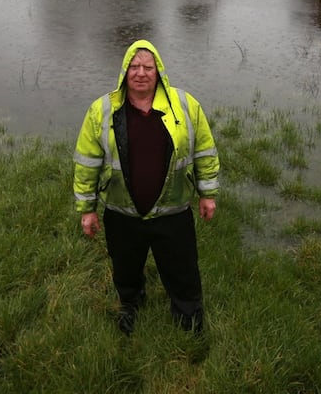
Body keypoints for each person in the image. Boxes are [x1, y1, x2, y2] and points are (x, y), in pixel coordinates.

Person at [73, 39, 219, 336]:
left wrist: (208, 193)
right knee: (125, 269)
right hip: (121, 211)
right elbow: (87, 163)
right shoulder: (101, 111)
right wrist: (87, 209)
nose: (141, 73)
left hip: (174, 210)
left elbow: (205, 150)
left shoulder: (185, 105)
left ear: (159, 71)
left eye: (147, 67)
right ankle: (130, 305)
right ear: (125, 72)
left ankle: (188, 315)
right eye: (134, 67)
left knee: (183, 270)